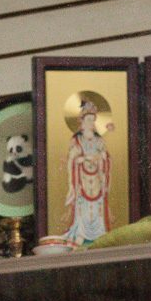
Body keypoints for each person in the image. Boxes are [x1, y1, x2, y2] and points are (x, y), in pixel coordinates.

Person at [62, 100, 112, 245]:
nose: (91, 122)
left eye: (93, 119)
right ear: (82, 121)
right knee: (82, 207)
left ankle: (100, 233)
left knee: (97, 207)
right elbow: (72, 159)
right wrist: (81, 159)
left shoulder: (99, 140)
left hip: (97, 178)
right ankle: (81, 234)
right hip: (82, 180)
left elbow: (105, 157)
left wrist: (98, 158)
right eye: (88, 119)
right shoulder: (76, 140)